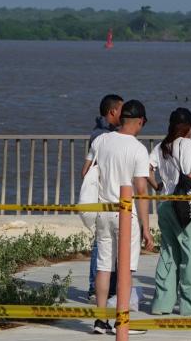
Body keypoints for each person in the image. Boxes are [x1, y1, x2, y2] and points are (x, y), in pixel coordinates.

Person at [84, 99, 154, 335]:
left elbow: (86, 172)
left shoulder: (101, 140)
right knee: (125, 268)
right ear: (140, 122)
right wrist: (146, 227)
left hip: (103, 211)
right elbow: (142, 191)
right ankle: (120, 323)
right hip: (126, 214)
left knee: (104, 266)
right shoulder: (138, 149)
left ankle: (99, 321)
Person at [147, 108, 191, 316]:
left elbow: (146, 168)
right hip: (185, 205)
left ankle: (162, 304)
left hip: (165, 203)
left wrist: (157, 186)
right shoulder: (187, 144)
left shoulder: (161, 147)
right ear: (188, 126)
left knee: (168, 252)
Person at [83, 93, 123, 303]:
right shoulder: (100, 136)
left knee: (105, 245)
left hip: (110, 198)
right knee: (102, 245)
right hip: (104, 198)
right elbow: (89, 169)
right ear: (112, 112)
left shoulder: (105, 134)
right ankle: (94, 289)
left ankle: (104, 288)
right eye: (121, 110)